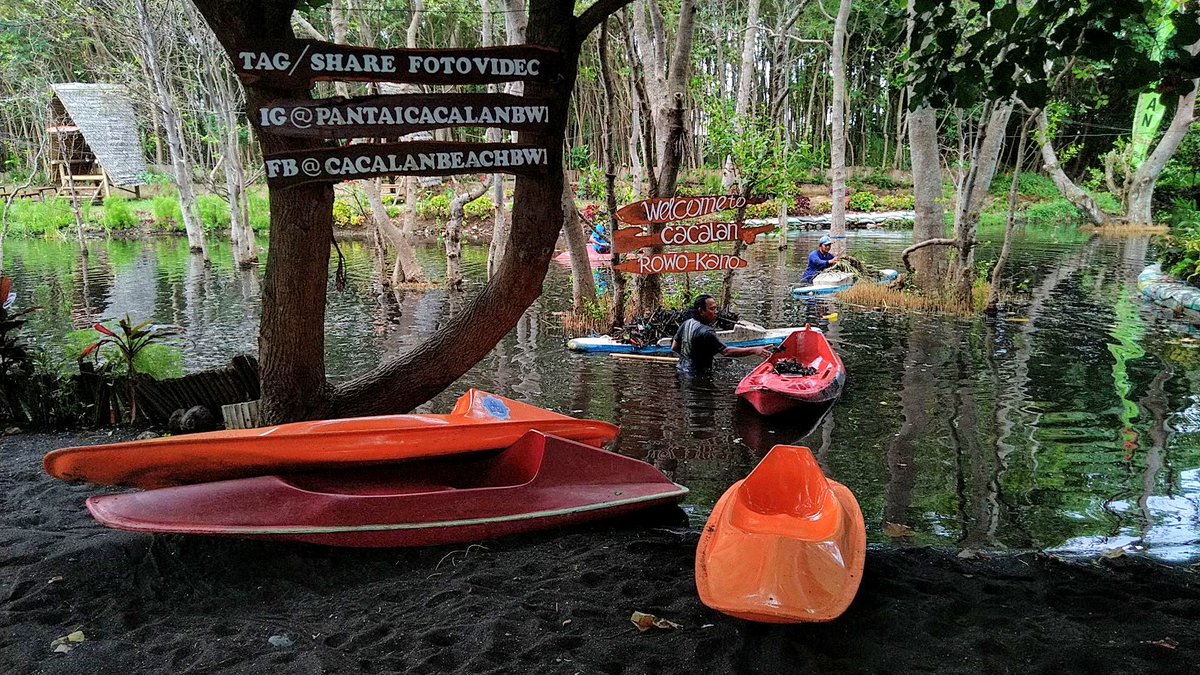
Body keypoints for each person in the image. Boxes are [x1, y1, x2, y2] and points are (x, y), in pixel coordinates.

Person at [671, 295, 773, 376]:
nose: (716, 312)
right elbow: (726, 351)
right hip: (697, 375)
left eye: (716, 309)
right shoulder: (707, 332)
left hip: (681, 370)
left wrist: (691, 357)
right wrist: (754, 350)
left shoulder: (686, 323)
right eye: (712, 309)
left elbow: (674, 347)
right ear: (701, 311)